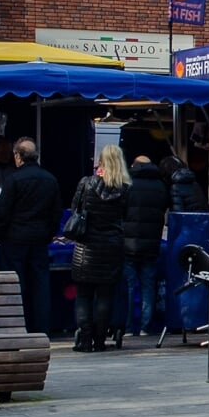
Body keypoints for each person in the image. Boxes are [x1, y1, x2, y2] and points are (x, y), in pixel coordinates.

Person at [0, 137, 60, 336]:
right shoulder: (50, 179)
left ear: (18, 156)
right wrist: (49, 234)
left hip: (14, 240)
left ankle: (17, 327)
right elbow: (56, 213)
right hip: (40, 239)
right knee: (41, 285)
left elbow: (3, 212)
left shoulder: (13, 179)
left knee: (17, 284)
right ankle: (41, 328)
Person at [69, 144, 130, 352]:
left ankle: (85, 341)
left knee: (84, 295)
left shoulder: (86, 183)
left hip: (86, 247)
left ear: (101, 162)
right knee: (106, 296)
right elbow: (126, 217)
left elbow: (75, 208)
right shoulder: (124, 189)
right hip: (112, 247)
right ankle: (100, 340)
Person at [121, 155, 171, 337]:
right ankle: (145, 326)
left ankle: (126, 327)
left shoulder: (128, 184)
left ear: (134, 166)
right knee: (148, 286)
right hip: (152, 243)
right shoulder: (160, 186)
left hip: (129, 243)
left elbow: (122, 211)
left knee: (129, 285)